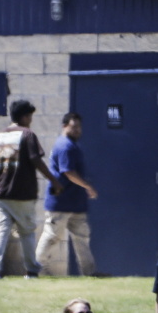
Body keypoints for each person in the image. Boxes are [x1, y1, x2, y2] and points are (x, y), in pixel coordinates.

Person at [0, 99, 63, 279]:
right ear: (25, 116)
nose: (31, 120)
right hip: (22, 193)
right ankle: (31, 271)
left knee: (1, 230)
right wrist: (54, 180)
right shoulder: (27, 135)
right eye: (30, 116)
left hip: (0, 193)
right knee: (26, 232)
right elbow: (37, 161)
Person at [36, 112, 98, 277]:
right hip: (60, 202)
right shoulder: (65, 146)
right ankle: (36, 270)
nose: (78, 130)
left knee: (82, 239)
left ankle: (89, 273)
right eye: (73, 126)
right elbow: (68, 172)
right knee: (51, 236)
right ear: (64, 126)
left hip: (76, 203)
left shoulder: (72, 145)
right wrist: (87, 186)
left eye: (79, 127)